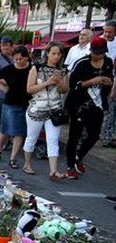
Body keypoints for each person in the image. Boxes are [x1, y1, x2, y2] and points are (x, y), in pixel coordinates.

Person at [65, 36, 114, 180]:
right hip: (79, 105)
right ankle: (69, 166)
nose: (98, 56)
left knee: (94, 135)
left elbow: (110, 79)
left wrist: (108, 82)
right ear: (91, 51)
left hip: (98, 104)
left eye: (101, 53)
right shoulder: (82, 64)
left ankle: (79, 157)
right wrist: (92, 81)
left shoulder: (108, 62)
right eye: (96, 53)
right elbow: (73, 85)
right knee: (74, 135)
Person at [22, 42, 69, 180]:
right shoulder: (36, 68)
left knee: (53, 140)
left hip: (54, 110)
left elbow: (64, 90)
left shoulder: (63, 70)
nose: (56, 57)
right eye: (53, 53)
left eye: (59, 54)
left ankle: (53, 171)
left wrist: (59, 81)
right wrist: (47, 83)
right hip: (37, 108)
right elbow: (29, 89)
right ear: (47, 53)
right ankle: (27, 164)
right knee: (32, 137)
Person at [0, 46, 32, 169]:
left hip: (26, 103)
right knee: (6, 130)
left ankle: (13, 158)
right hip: (10, 102)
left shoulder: (31, 68)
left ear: (26, 57)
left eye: (20, 59)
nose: (18, 61)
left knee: (20, 132)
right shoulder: (10, 69)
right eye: (16, 59)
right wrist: (3, 88)